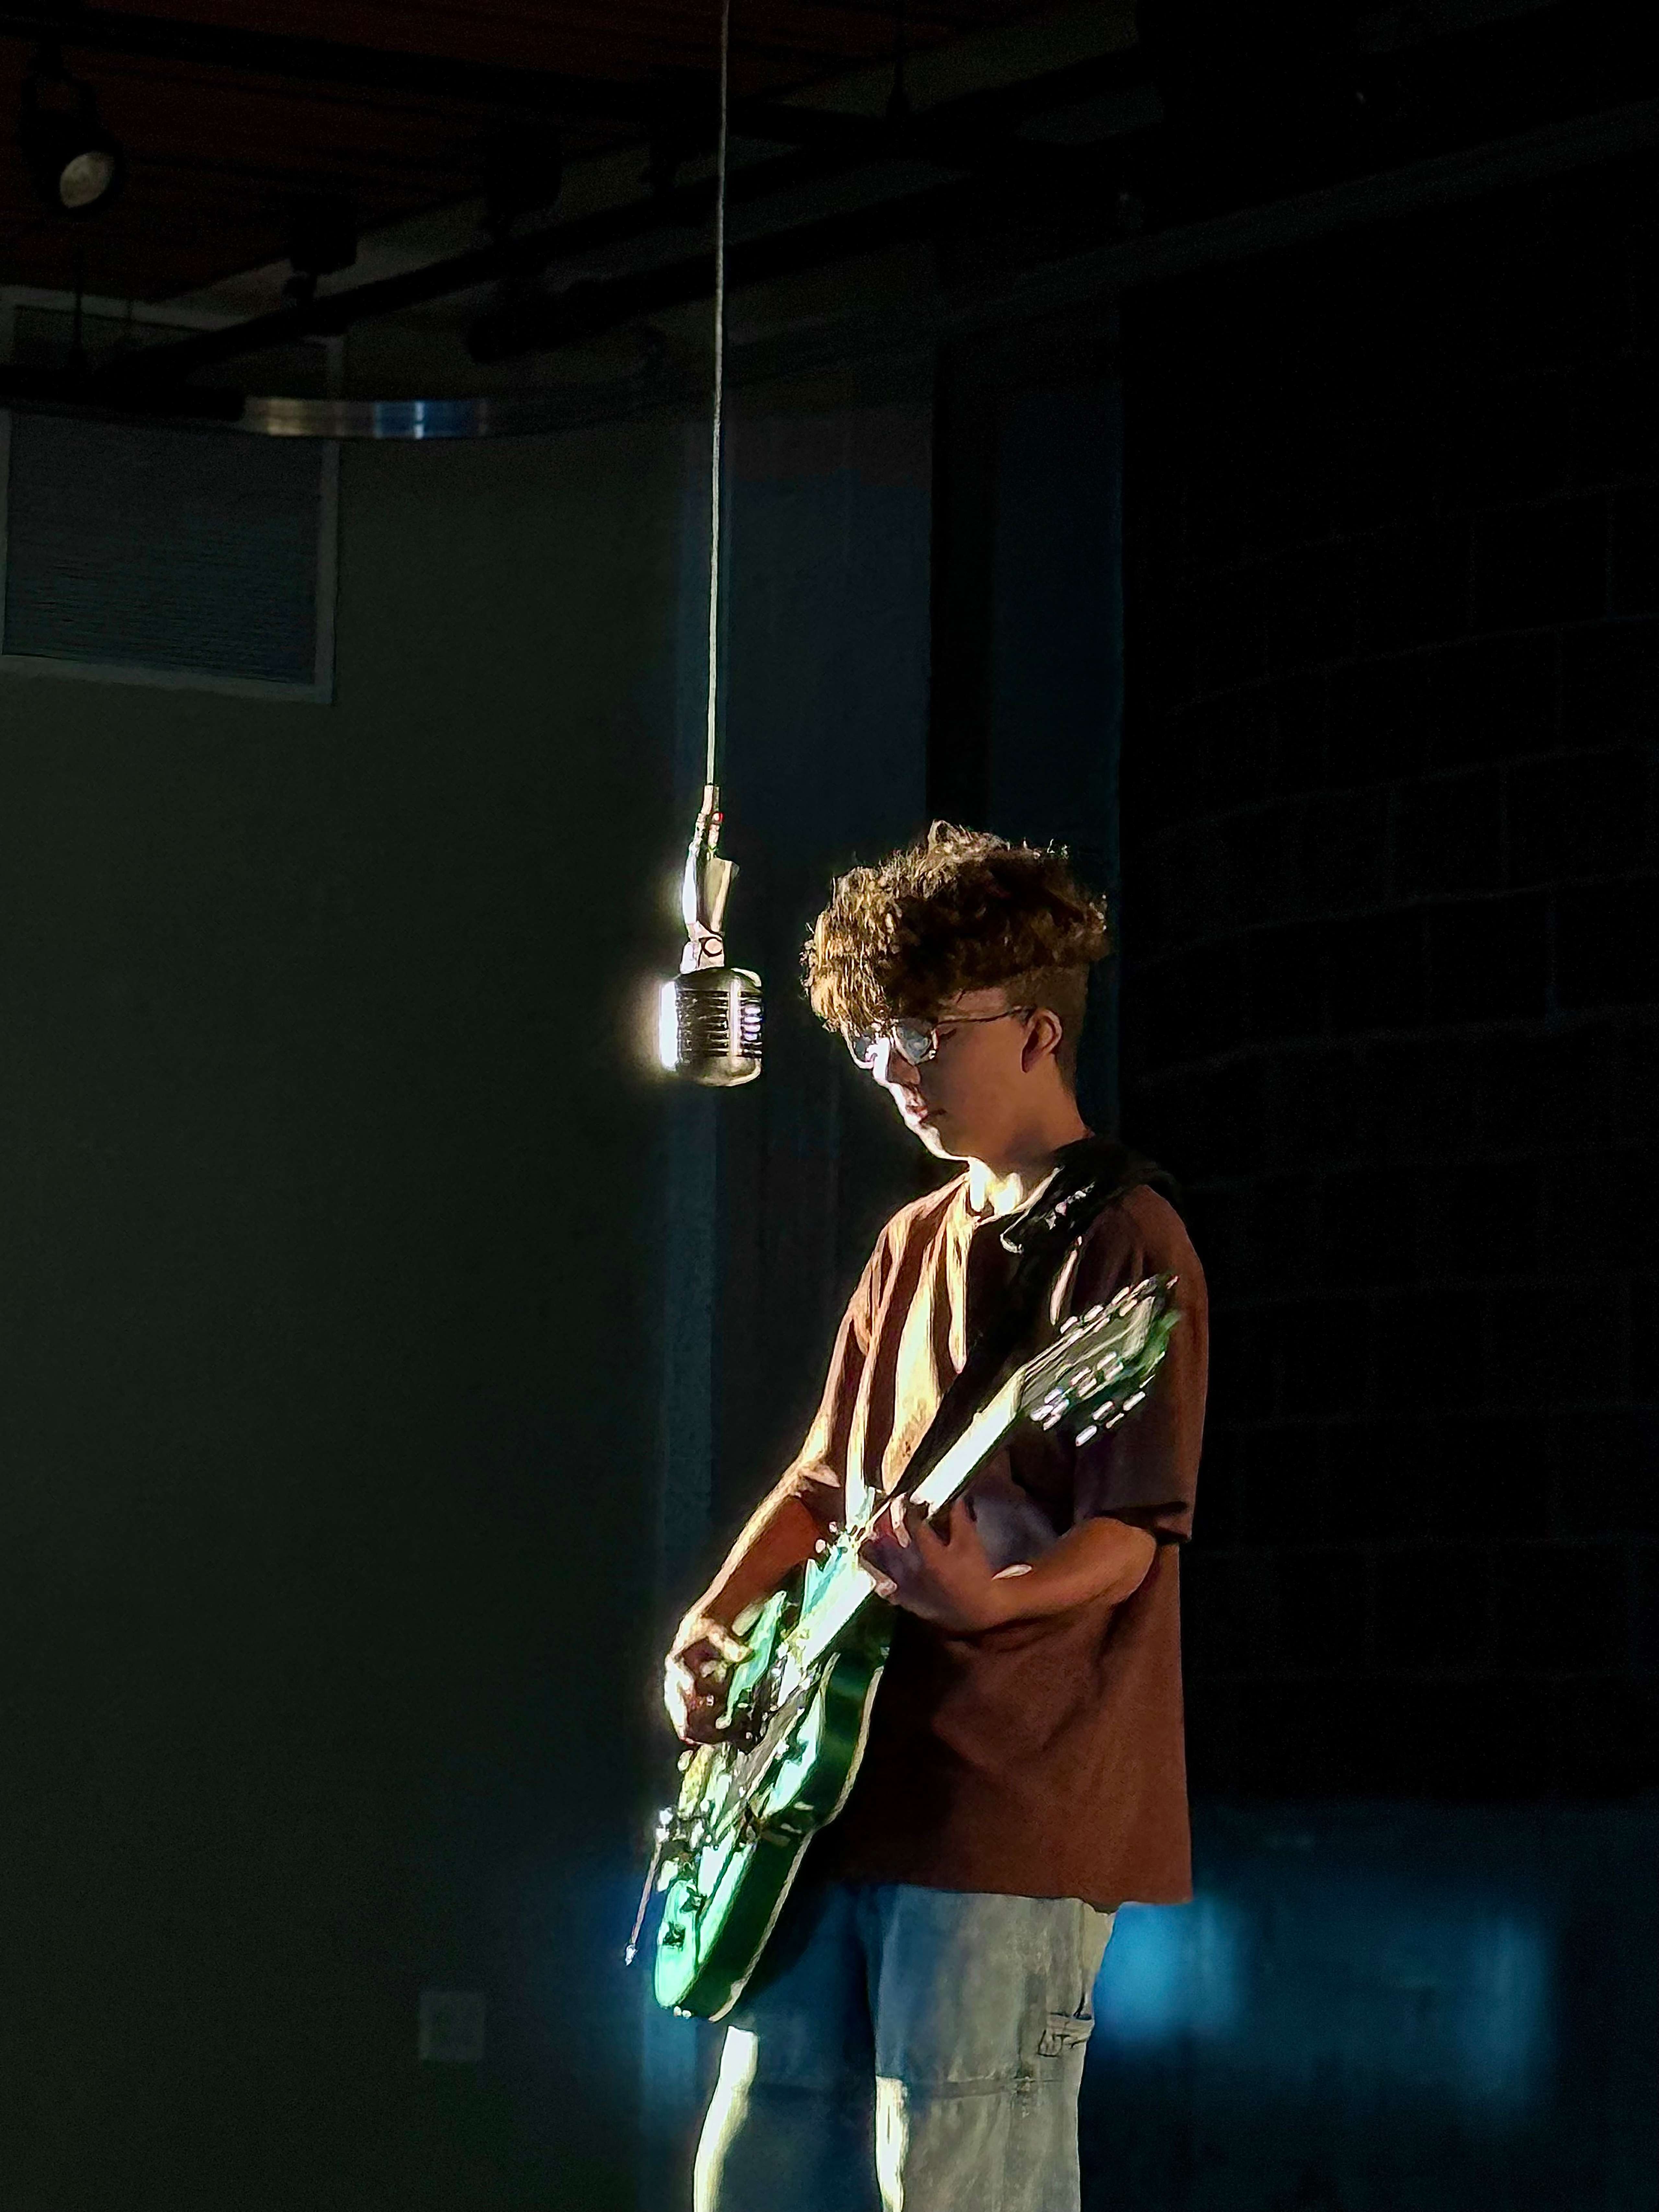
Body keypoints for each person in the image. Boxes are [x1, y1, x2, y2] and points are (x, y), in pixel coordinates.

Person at [663, 824, 1208, 2212]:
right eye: (867, 1043)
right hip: (832, 1787)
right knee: (759, 2149)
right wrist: (715, 1618)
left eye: (917, 1035)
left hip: (1008, 1800)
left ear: (1035, 1032)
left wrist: (990, 1603)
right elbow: (819, 1481)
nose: (891, 1074)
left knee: (957, 2167)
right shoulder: (913, 1238)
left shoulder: (1124, 1240)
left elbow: (1131, 1533)